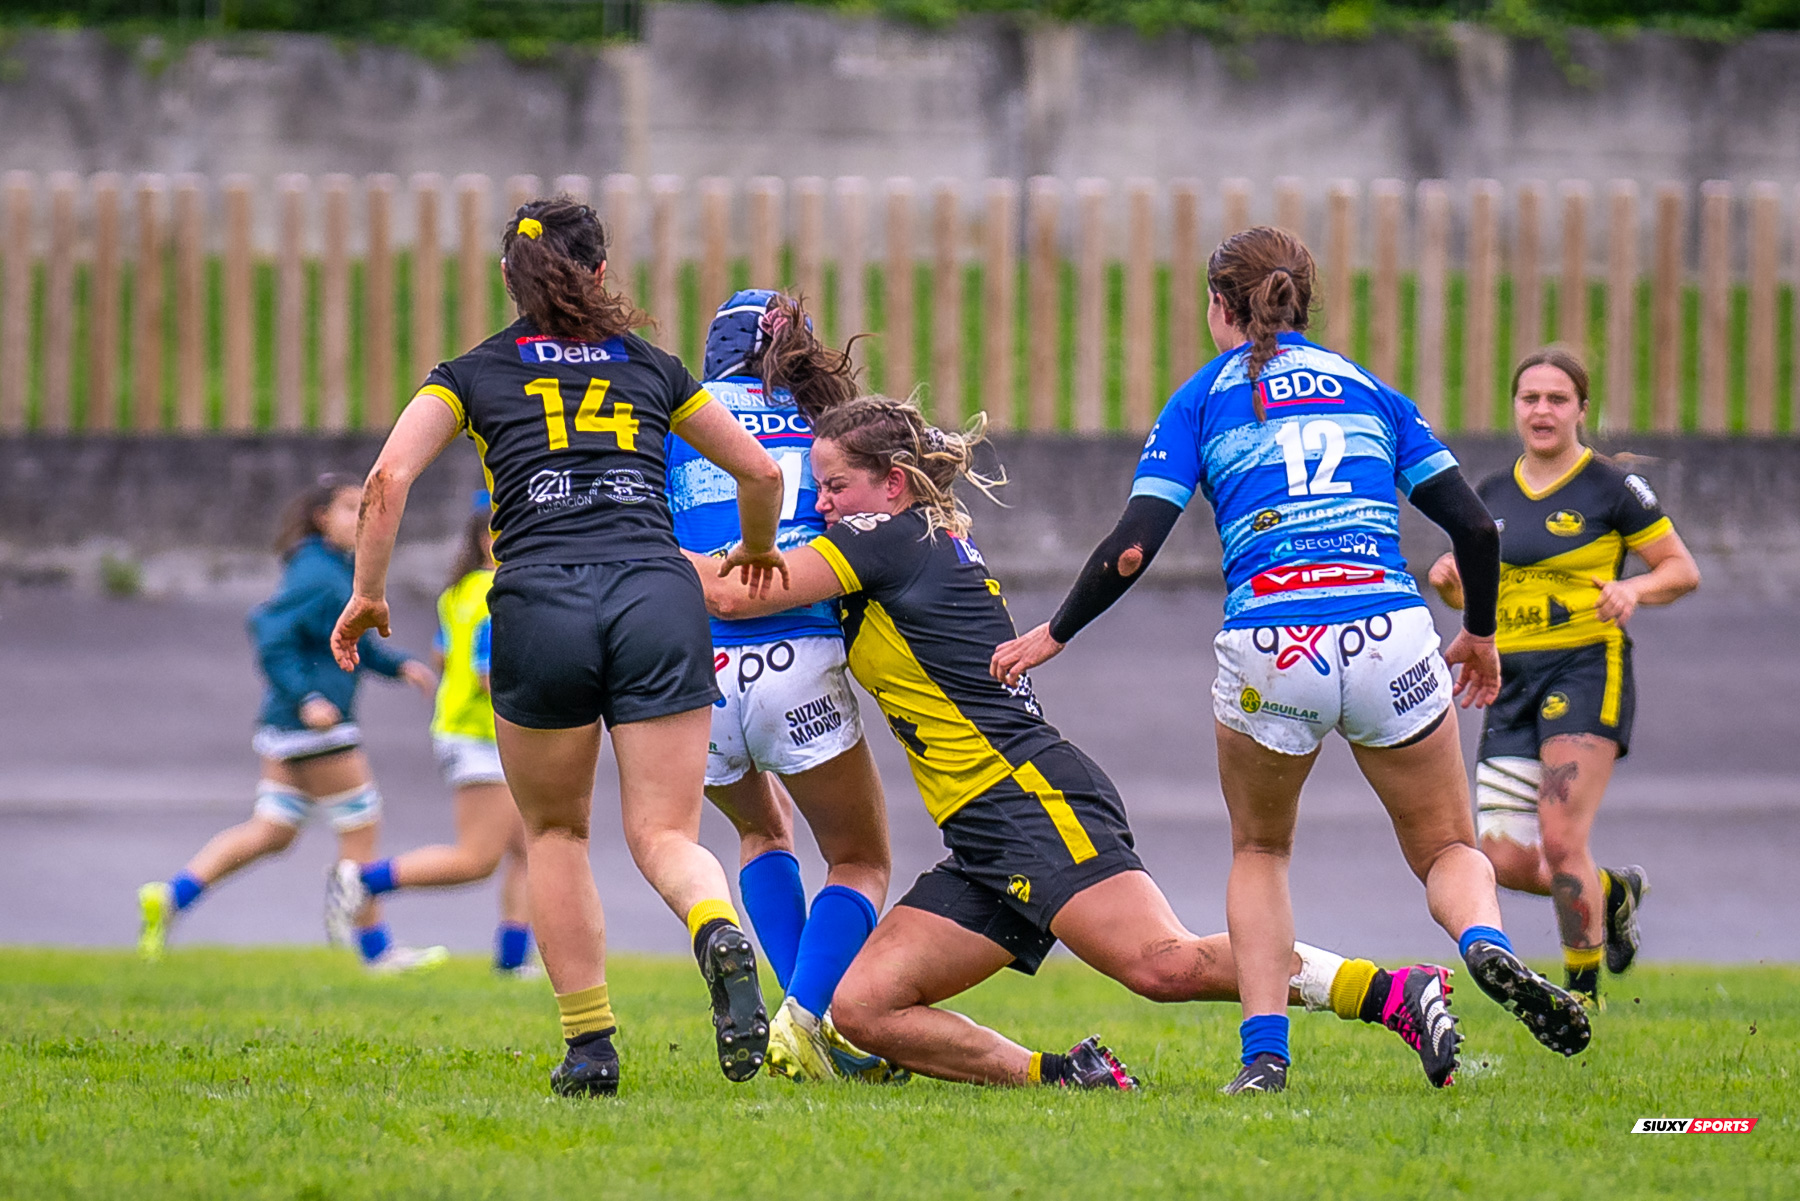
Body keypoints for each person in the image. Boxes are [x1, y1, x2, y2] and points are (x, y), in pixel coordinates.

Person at [693, 394, 1465, 1093]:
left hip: (1031, 798)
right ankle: (1068, 1075)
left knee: (1161, 964)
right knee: (862, 1006)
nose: (819, 505)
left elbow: (733, 590)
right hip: (983, 827)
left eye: (833, 487)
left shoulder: (884, 539)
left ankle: (1391, 990)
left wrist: (628, 546)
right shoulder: (901, 539)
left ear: (893, 484)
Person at [991, 226, 1592, 1094]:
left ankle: (1264, 1057)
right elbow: (1477, 527)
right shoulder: (1372, 392)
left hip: (1276, 641)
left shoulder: (1202, 399)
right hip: (1391, 631)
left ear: (1220, 307)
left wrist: (1053, 633)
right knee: (1446, 846)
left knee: (1262, 849)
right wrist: (1483, 635)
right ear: (1301, 300)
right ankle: (1487, 945)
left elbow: (1132, 548)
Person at [329, 196, 788, 1098]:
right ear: (603, 274)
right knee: (664, 831)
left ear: (511, 279)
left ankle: (590, 1046)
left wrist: (368, 595)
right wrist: (762, 547)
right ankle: (712, 922)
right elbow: (760, 470)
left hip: (540, 603)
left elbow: (386, 480)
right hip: (656, 595)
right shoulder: (654, 368)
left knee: (554, 830)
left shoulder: (471, 372)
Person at [667, 289, 900, 1083]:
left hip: (694, 672)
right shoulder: (826, 423)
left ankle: (809, 1020)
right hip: (797, 654)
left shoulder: (677, 419)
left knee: (762, 833)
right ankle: (807, 1019)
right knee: (861, 859)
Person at [1428, 347, 1699, 1007]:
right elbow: (1479, 592)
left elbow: (1679, 569)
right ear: (1515, 406)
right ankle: (1612, 893)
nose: (1542, 410)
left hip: (1584, 667)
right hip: (1507, 679)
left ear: (1582, 408)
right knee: (1504, 858)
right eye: (1530, 398)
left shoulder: (1612, 489)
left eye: (1557, 399)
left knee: (1559, 836)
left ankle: (1583, 991)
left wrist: (1636, 593)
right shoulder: (1489, 495)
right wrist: (1452, 584)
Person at [137, 474, 446, 974]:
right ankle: (374, 950)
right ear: (321, 517)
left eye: (365, 508)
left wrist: (396, 665)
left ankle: (170, 896)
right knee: (362, 823)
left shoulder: (333, 569)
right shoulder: (317, 574)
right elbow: (270, 630)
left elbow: (351, 639)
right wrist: (307, 697)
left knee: (272, 832)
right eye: (350, 508)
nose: (361, 518)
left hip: (288, 728)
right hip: (315, 726)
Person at [324, 495, 540, 977]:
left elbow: (444, 657)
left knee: (530, 847)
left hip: (464, 729)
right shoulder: (499, 593)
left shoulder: (458, 592)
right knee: (477, 859)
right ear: (491, 538)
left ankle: (511, 959)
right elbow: (491, 675)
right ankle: (364, 881)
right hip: (483, 735)